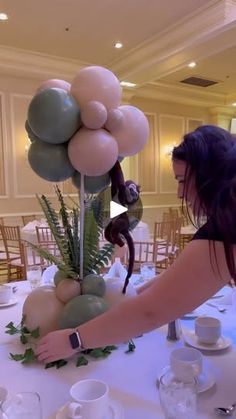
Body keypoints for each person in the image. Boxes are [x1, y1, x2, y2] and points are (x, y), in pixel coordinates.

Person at [36, 124, 236, 363]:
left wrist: (74, 340)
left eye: (182, 180)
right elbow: (179, 278)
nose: (180, 194)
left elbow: (151, 311)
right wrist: (133, 294)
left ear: (208, 175)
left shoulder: (224, 232)